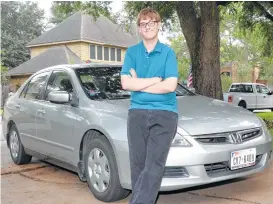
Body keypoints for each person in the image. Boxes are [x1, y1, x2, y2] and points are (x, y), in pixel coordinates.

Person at [120, 8, 179, 204]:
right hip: (136, 114)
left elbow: (170, 86)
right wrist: (155, 80)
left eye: (151, 22)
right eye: (143, 23)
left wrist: (140, 84)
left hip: (165, 114)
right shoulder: (132, 53)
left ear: (159, 25)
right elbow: (126, 84)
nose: (147, 26)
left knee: (153, 166)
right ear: (139, 29)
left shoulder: (168, 53)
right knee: (138, 166)